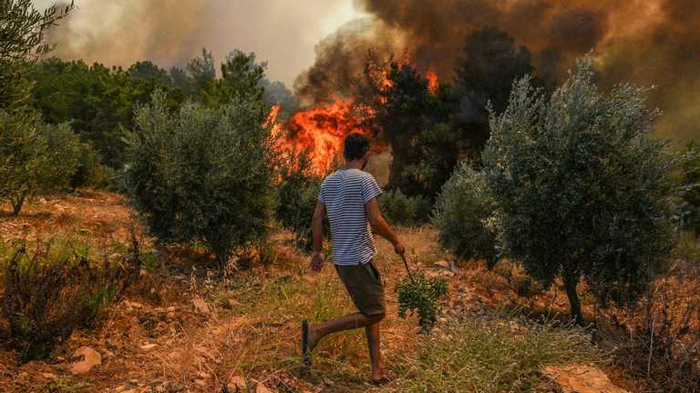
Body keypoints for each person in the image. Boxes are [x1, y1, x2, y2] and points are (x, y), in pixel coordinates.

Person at [301, 133, 405, 385]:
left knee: (370, 310)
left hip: (342, 259)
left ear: (344, 152)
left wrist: (317, 251)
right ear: (365, 154)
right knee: (377, 312)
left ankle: (376, 372)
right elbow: (376, 220)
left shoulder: (329, 181)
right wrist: (396, 241)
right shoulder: (364, 180)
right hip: (358, 259)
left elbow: (317, 218)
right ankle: (318, 331)